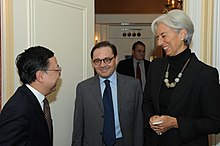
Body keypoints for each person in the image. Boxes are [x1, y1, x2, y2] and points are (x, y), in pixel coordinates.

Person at [143, 9, 220, 146]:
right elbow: (147, 101)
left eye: (163, 36)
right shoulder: (156, 66)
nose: (160, 43)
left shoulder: (205, 74)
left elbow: (215, 122)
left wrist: (176, 123)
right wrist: (151, 117)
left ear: (182, 34)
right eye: (157, 37)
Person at [71, 41, 143, 146]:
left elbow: (138, 124)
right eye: (97, 61)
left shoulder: (133, 86)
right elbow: (78, 128)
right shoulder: (83, 89)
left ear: (116, 59)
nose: (102, 65)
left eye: (107, 60)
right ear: (93, 63)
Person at [0, 46, 61, 146]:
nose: (59, 74)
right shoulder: (17, 110)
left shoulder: (38, 100)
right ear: (40, 76)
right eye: (57, 70)